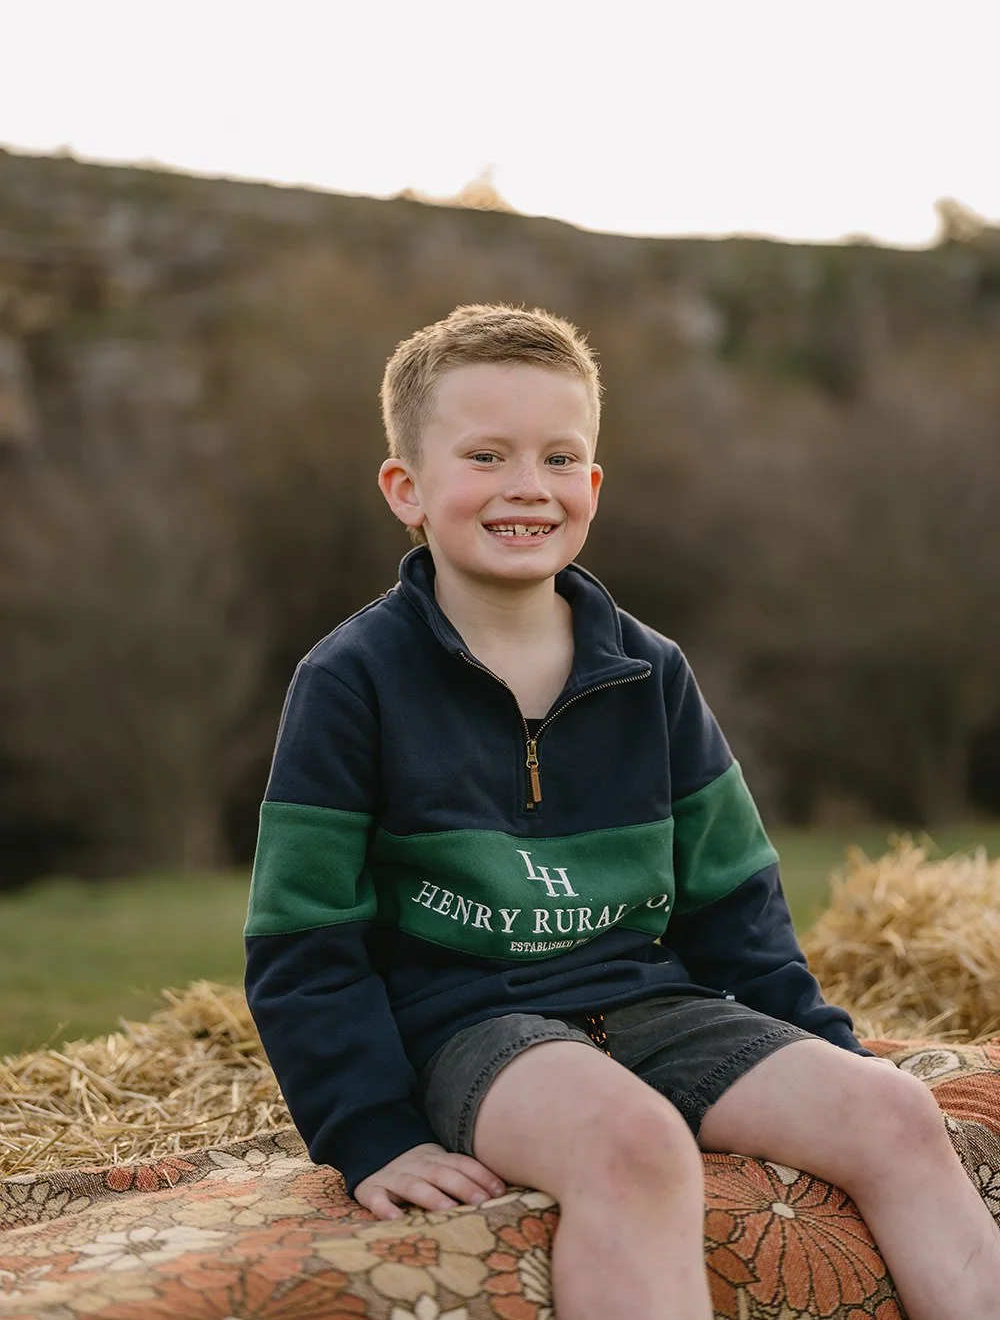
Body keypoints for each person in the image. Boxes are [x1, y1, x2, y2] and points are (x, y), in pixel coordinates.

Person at [245, 303, 1000, 1320]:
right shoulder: (351, 682)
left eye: (560, 458)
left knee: (896, 1113)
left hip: (654, 1005)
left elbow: (736, 898)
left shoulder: (649, 672)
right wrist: (370, 1130)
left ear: (592, 485)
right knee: (634, 1144)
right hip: (467, 1029)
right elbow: (303, 942)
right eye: (485, 454)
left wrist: (817, 1049)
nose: (527, 486)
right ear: (406, 490)